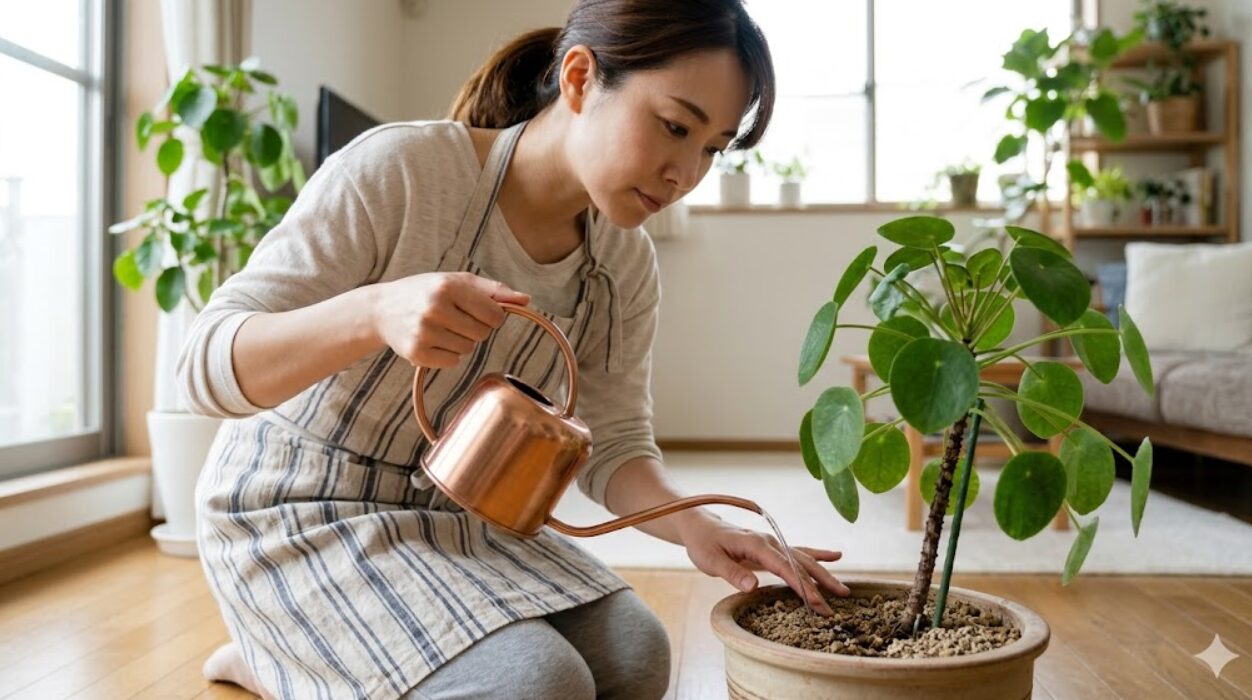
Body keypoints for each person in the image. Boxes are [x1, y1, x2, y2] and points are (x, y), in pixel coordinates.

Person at [182, 1, 850, 697]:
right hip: (296, 510)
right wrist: (375, 311)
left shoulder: (623, 262)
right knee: (535, 681)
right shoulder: (403, 171)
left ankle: (308, 665)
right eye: (675, 126)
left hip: (462, 516)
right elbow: (201, 368)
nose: (686, 172)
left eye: (712, 148)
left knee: (637, 654)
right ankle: (283, 655)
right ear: (581, 77)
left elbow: (616, 441)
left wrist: (693, 526)